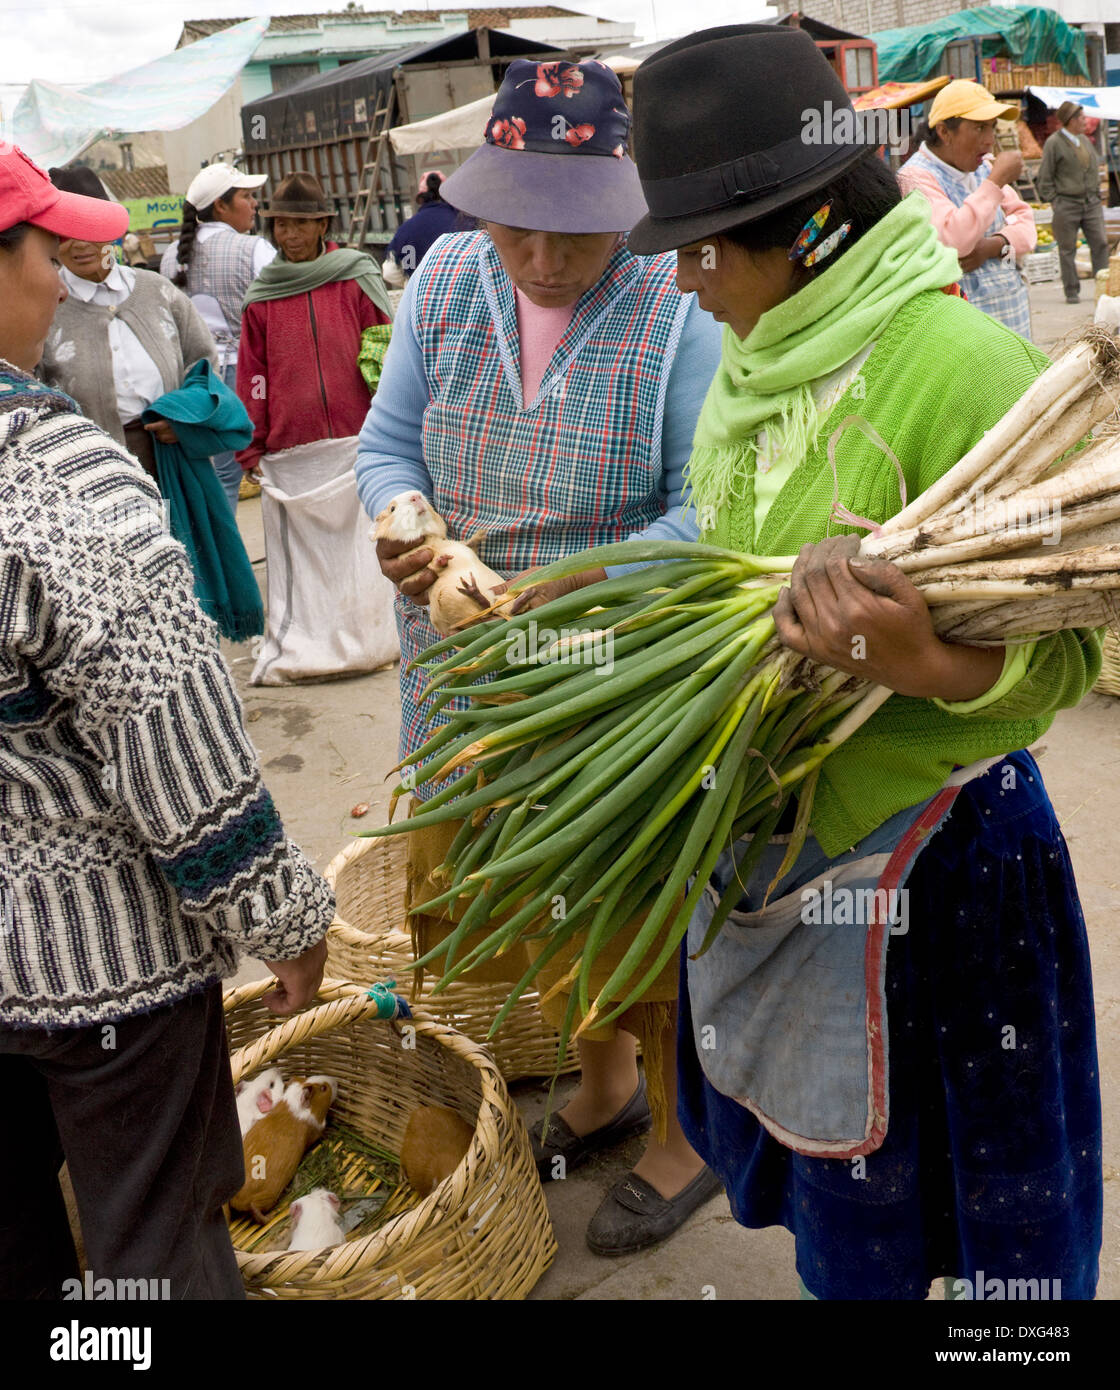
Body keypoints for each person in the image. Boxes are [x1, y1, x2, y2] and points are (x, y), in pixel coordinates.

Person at [627, 24, 1102, 1300]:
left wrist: (924, 662)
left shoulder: (959, 369)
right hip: (779, 862)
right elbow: (728, 525)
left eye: (699, 250)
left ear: (809, 230)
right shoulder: (756, 352)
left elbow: (1068, 656)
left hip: (944, 876)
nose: (682, 284)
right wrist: (605, 590)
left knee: (991, 1232)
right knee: (856, 1237)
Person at [356, 58, 725, 1256]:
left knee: (629, 893)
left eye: (576, 233)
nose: (546, 261)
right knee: (523, 882)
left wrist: (579, 582)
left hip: (609, 674)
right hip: (460, 670)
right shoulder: (446, 281)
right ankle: (603, 1084)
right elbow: (387, 443)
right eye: (520, 228)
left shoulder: (677, 308)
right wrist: (403, 523)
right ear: (483, 205)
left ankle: (680, 1135)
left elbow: (702, 506)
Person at [0, 144, 334, 1301]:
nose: (56, 277)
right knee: (153, 1252)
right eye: (44, 249)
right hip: (102, 975)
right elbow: (180, 759)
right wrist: (285, 922)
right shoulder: (61, 488)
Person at [236, 172, 395, 685]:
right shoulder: (263, 297)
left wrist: (390, 422)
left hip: (357, 440)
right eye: (282, 224)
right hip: (293, 448)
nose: (291, 235)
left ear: (324, 224)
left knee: (362, 553)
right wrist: (253, 442)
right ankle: (308, 649)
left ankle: (375, 640)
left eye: (301, 224)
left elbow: (385, 350)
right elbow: (254, 376)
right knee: (305, 566)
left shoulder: (354, 276)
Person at [40, 167, 217, 480]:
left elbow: (204, 367)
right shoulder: (44, 309)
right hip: (88, 478)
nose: (80, 244)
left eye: (90, 227)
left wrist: (185, 417)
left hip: (174, 464)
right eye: (66, 232)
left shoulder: (158, 291)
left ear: (110, 229)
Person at [161, 163, 275, 511]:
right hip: (248, 376)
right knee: (252, 469)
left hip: (195, 381)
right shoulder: (254, 249)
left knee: (217, 473)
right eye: (247, 196)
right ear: (221, 206)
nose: (255, 203)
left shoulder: (170, 258)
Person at [899, 80, 1036, 337]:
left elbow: (1027, 227)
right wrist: (995, 182)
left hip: (1011, 315)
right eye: (979, 128)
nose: (989, 140)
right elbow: (954, 240)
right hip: (966, 331)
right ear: (944, 132)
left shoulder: (983, 168)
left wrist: (993, 246)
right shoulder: (916, 179)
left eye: (992, 128)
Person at [1037, 100, 1110, 305]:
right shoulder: (1054, 143)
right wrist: (1055, 200)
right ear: (1070, 121)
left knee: (1101, 244)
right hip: (1066, 203)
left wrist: (1095, 194)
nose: (1085, 122)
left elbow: (1093, 167)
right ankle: (1071, 291)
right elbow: (1045, 177)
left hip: (1090, 203)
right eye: (1081, 118)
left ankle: (1102, 288)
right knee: (1067, 248)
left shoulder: (1084, 141)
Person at [382, 170, 468, 287]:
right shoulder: (465, 223)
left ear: (421, 198)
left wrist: (411, 284)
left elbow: (389, 272)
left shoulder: (408, 229)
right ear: (449, 195)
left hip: (424, 298)